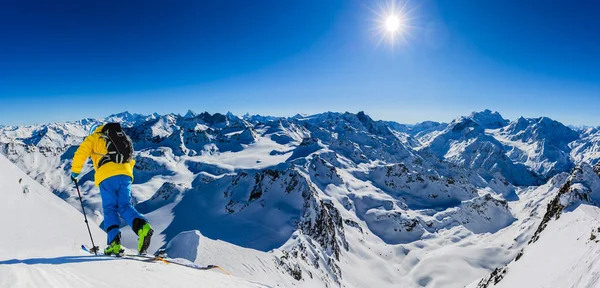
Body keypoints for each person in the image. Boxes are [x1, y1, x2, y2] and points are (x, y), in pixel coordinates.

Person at [71, 123, 153, 256]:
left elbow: (81, 153)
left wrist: (75, 172)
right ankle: (143, 227)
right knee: (125, 206)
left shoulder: (93, 137)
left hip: (107, 175)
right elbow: (130, 156)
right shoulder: (120, 137)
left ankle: (114, 244)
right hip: (126, 173)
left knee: (110, 208)